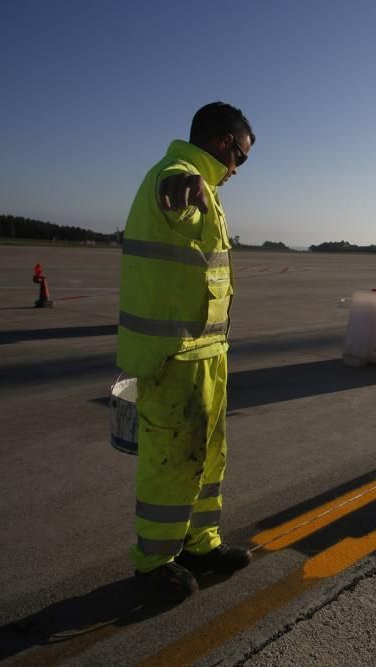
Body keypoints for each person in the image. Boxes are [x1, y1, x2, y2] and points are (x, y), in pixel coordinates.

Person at [116, 102, 255, 602]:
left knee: (208, 457)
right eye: (241, 155)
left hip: (207, 353)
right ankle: (153, 562)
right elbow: (174, 190)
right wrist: (182, 187)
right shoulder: (179, 177)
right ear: (222, 143)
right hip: (172, 357)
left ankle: (201, 543)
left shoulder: (207, 187)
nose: (238, 169)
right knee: (172, 461)